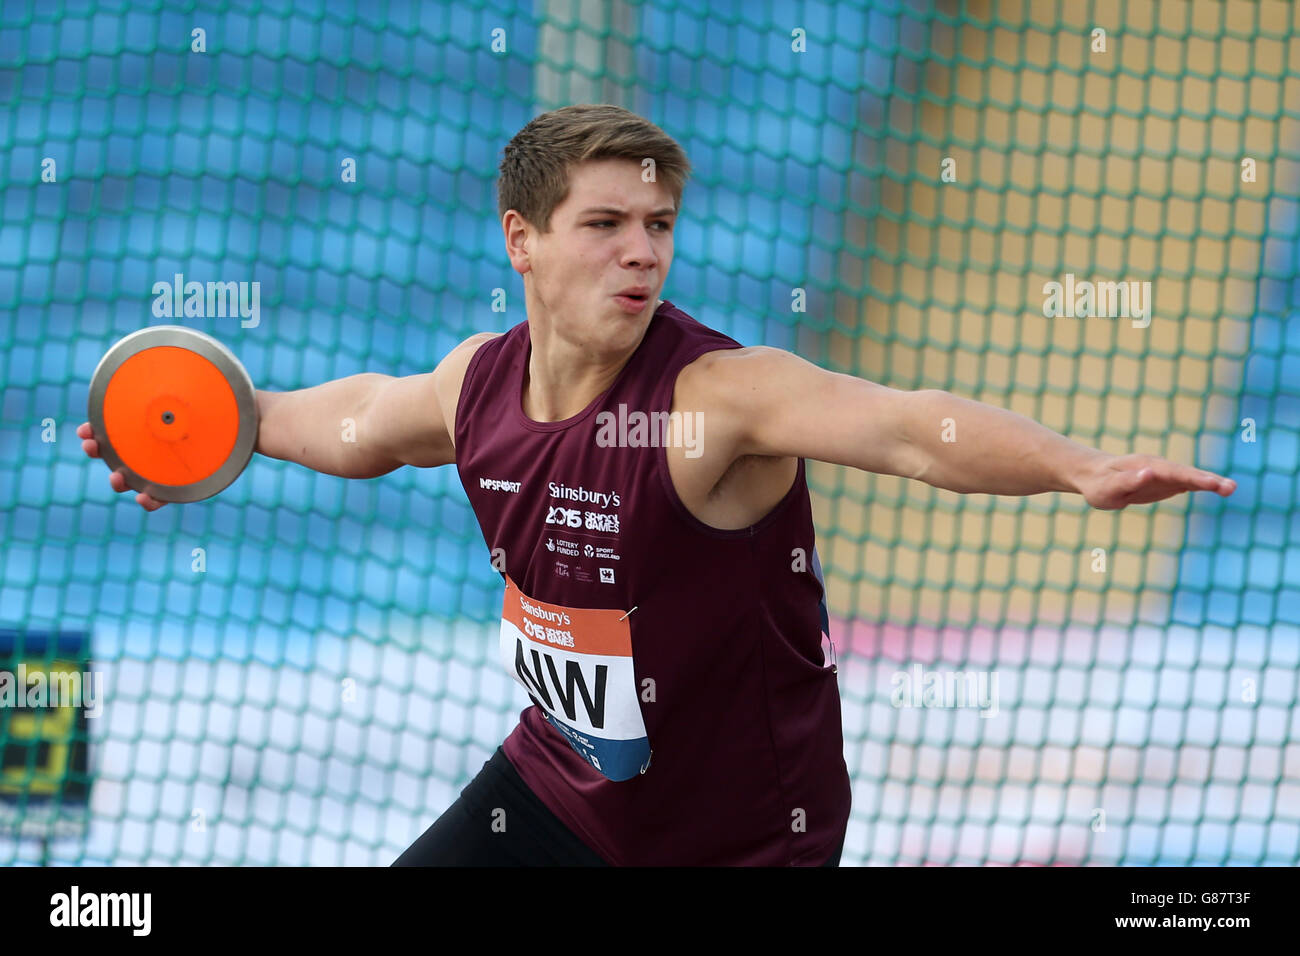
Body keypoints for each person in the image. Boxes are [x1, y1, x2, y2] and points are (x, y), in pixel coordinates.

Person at [78, 104, 1236, 866]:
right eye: (607, 224)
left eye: (659, 224)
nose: (642, 250)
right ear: (520, 238)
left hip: (736, 838)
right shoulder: (473, 383)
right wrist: (216, 435)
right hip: (559, 787)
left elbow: (910, 430)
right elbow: (352, 420)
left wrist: (1077, 467)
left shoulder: (717, 397)